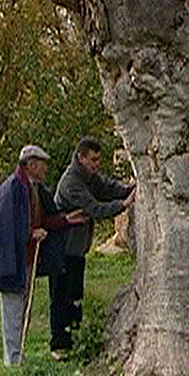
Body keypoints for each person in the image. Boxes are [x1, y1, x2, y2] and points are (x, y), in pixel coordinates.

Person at [0, 144, 86, 366]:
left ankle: (18, 354)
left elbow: (43, 219)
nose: (45, 169)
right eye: (42, 165)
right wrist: (30, 233)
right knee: (13, 310)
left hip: (28, 258)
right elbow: (4, 224)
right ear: (31, 165)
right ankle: (12, 360)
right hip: (12, 261)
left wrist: (66, 220)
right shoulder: (12, 190)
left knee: (22, 309)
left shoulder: (34, 189)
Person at [50, 137, 136, 360]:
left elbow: (107, 188)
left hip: (77, 248)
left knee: (76, 295)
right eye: (93, 160)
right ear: (81, 157)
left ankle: (75, 339)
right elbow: (95, 208)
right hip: (64, 248)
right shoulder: (72, 182)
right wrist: (123, 205)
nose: (97, 164)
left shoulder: (89, 177)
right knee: (61, 297)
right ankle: (59, 345)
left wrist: (129, 190)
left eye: (98, 159)